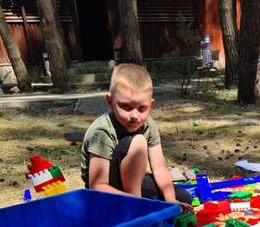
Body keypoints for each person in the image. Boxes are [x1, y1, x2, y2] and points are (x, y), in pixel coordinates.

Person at [80, 63, 192, 210]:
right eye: (125, 106)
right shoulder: (102, 131)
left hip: (129, 185)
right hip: (104, 191)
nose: (134, 116)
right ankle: (136, 208)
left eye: (142, 108)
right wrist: (139, 202)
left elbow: (159, 167)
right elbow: (97, 186)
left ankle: (138, 204)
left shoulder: (148, 125)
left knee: (183, 198)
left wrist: (171, 200)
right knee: (138, 141)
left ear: (151, 105)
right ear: (109, 101)